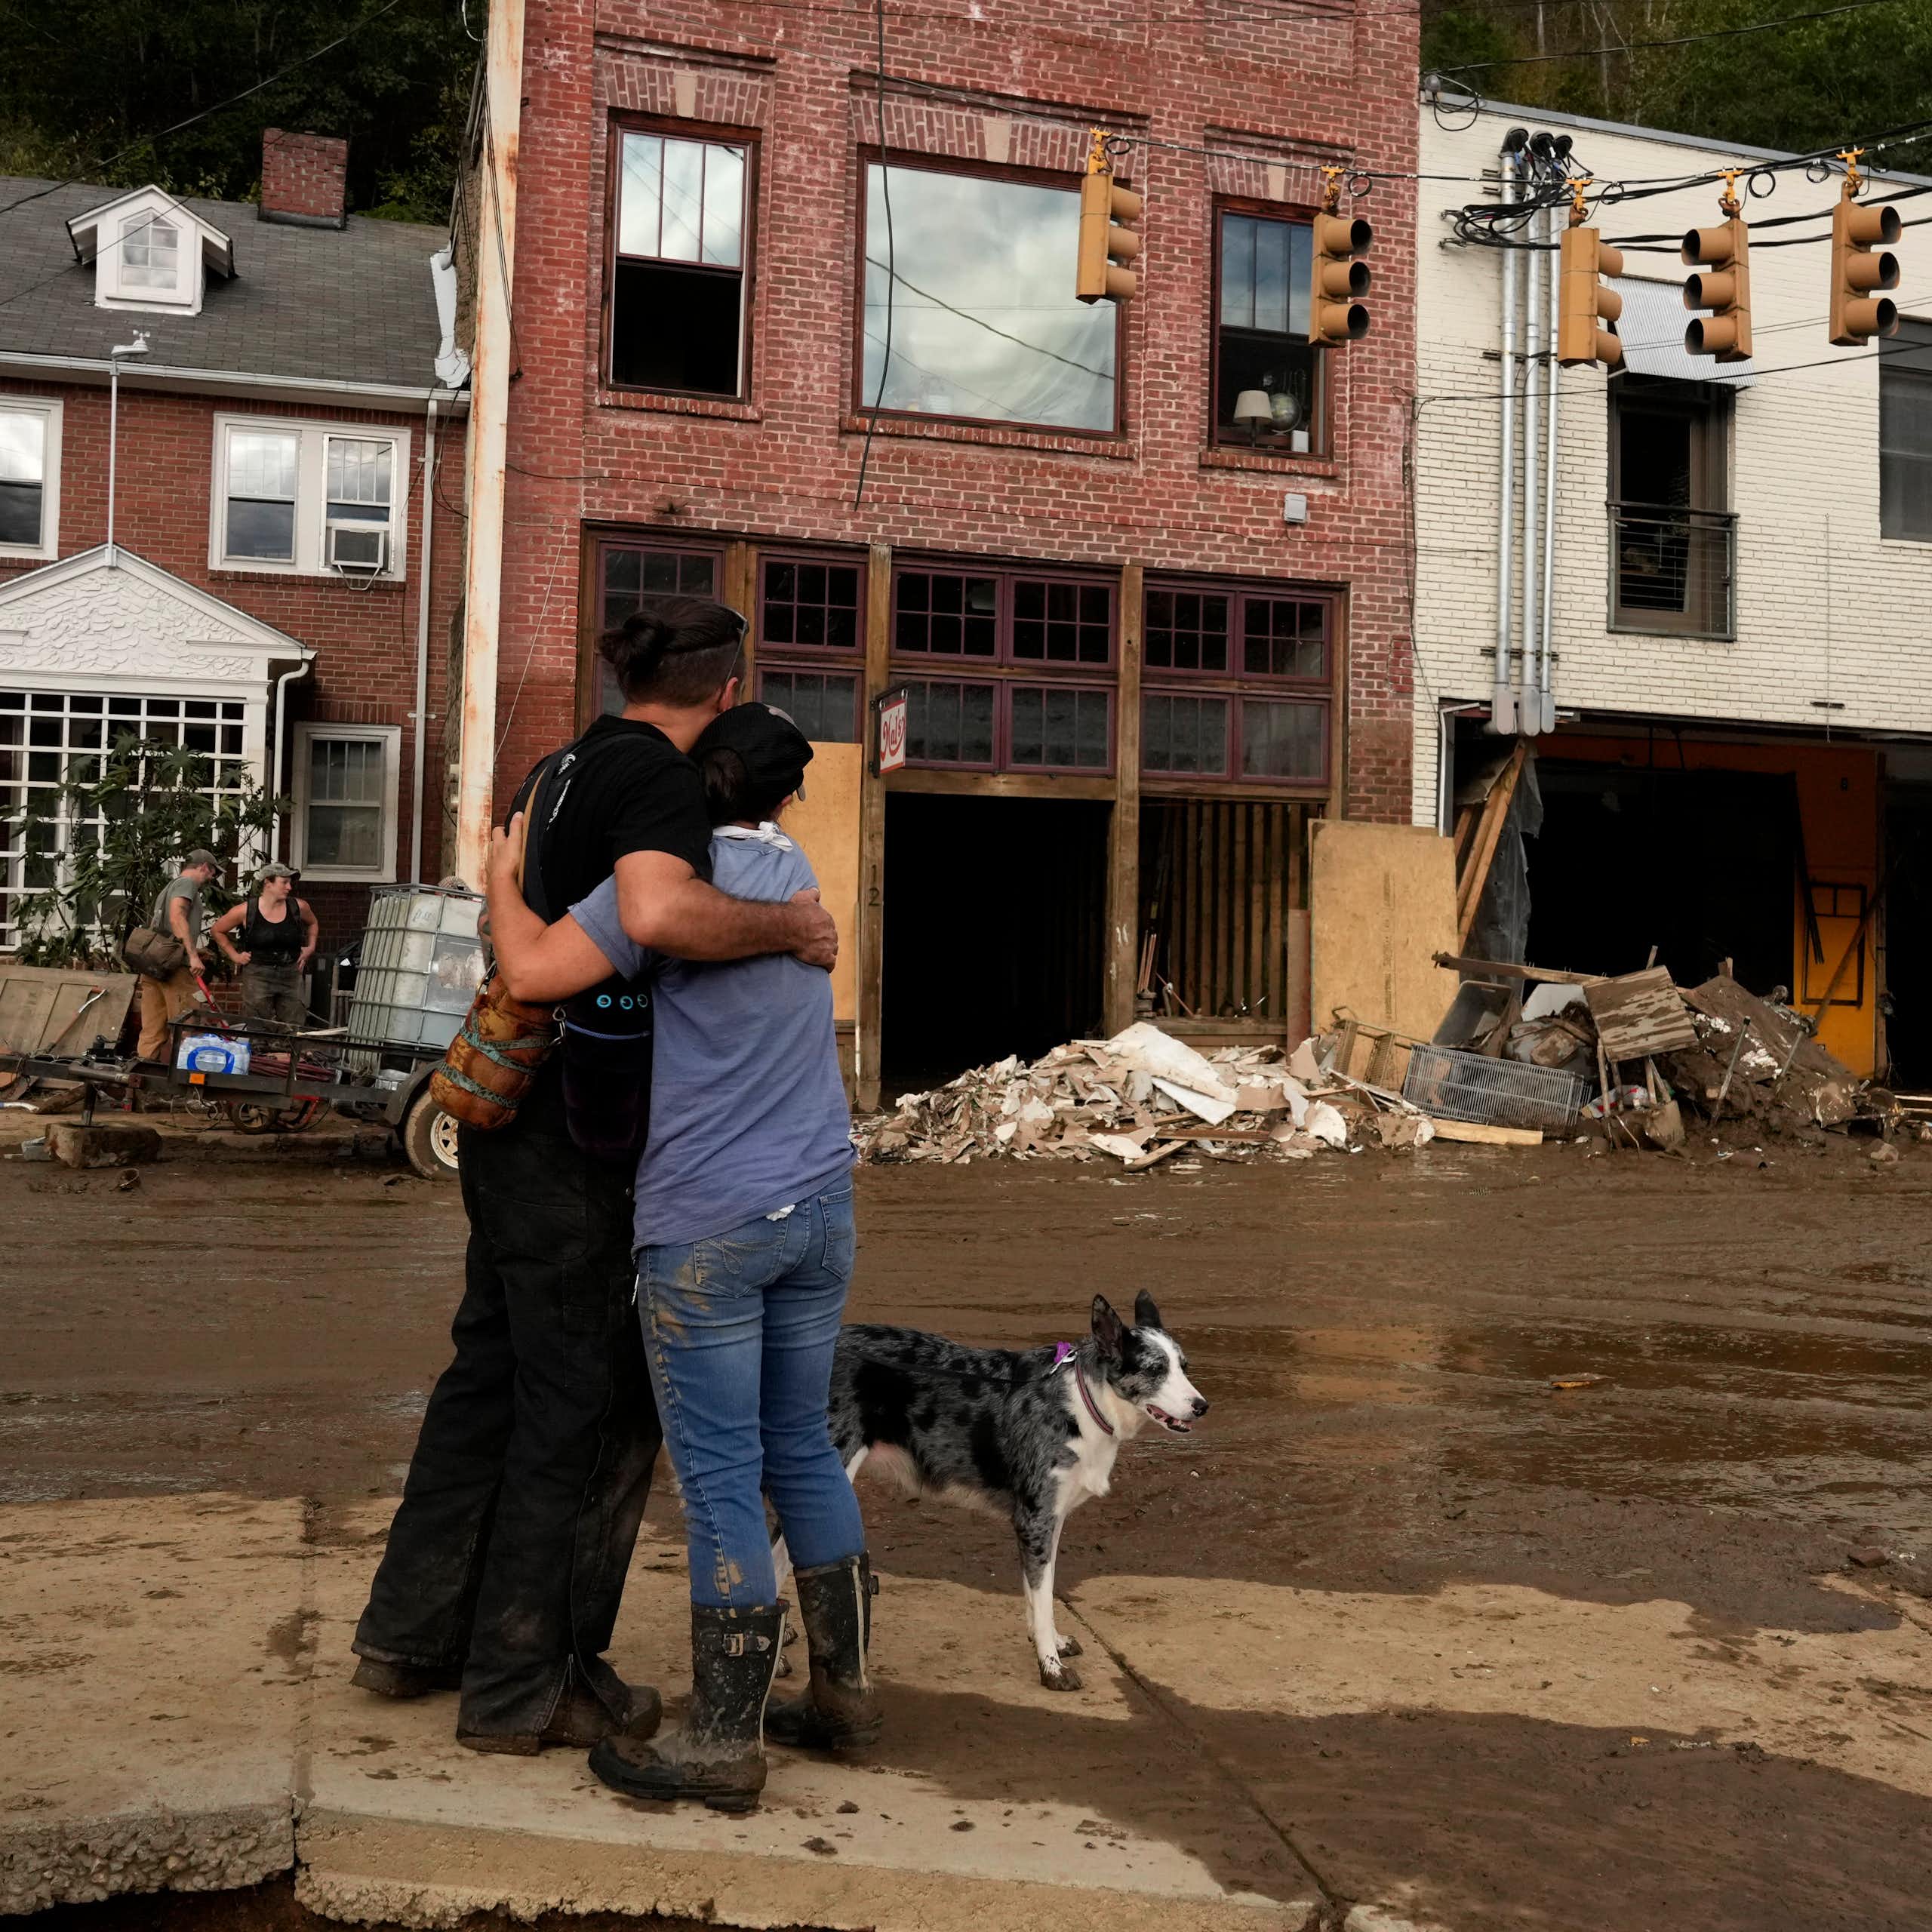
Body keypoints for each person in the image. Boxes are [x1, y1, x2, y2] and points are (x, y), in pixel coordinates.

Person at [350, 596, 839, 1759]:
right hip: (584, 1135)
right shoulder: (662, 785)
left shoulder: (557, 766)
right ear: (724, 693)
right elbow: (659, 910)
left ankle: (411, 1634)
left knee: (489, 1379)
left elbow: (516, 917)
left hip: (508, 1123)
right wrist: (788, 928)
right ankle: (531, 1683)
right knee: (592, 1407)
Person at [487, 700, 873, 1816]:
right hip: (820, 1208)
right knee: (799, 1443)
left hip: (708, 1222)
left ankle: (722, 1739)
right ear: (786, 796)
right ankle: (844, 1695)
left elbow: (530, 974)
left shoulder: (652, 895)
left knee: (714, 1479)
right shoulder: (798, 880)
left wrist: (504, 873)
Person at [209, 863, 317, 1029]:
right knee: (258, 1025)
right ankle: (259, 1054)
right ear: (268, 883)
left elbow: (313, 923)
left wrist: (310, 947)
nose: (289, 887)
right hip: (258, 974)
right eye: (284, 882)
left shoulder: (299, 907)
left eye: (290, 883)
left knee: (293, 1024)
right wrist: (235, 956)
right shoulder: (247, 910)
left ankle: (289, 1054)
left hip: (290, 973)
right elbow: (217, 930)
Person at [136, 848, 220, 1063]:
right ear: (203, 867)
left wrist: (195, 950)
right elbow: (177, 917)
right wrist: (192, 955)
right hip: (176, 969)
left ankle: (143, 1078)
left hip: (155, 964)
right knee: (187, 1026)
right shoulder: (187, 884)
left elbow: (165, 929)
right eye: (212, 872)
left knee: (152, 1028)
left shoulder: (169, 886)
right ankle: (186, 1082)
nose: (212, 878)